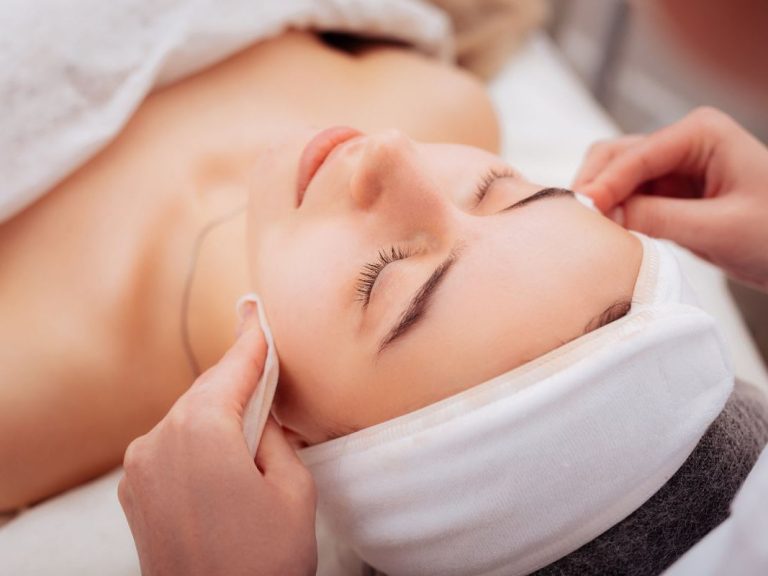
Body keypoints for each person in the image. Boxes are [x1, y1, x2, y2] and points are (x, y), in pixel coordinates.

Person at [119, 106, 768, 575]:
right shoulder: (453, 93)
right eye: (503, 188)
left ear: (287, 429)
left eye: (383, 278)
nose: (392, 149)